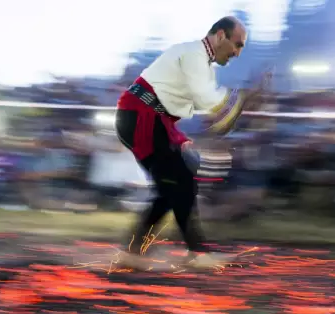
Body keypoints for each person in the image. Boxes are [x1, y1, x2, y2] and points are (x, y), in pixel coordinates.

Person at [114, 16, 269, 269]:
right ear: (220, 36)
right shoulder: (194, 56)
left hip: (144, 119)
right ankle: (197, 253)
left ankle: (133, 252)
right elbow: (215, 106)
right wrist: (245, 99)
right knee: (181, 180)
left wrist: (243, 102)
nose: (237, 53)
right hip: (142, 119)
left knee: (171, 187)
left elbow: (218, 121)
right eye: (237, 45)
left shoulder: (200, 63)